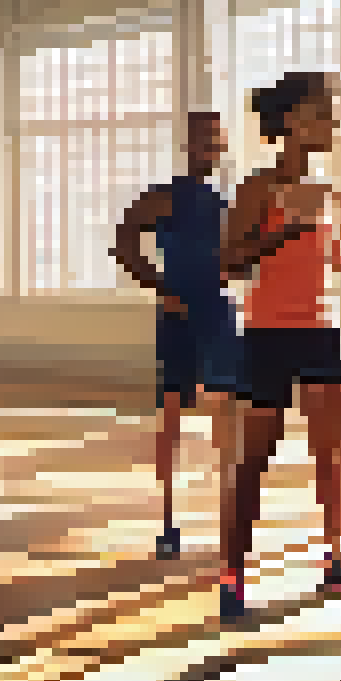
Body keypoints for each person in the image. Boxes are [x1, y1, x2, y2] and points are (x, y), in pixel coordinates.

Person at [218, 72, 341, 622]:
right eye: (322, 113)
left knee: (332, 456)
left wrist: (339, 237)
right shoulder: (258, 188)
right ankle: (232, 575)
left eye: (331, 113)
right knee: (253, 460)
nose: (333, 122)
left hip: (322, 330)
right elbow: (228, 263)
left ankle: (336, 560)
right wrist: (283, 231)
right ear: (291, 122)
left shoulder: (329, 191)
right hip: (267, 335)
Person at [113, 112, 243, 560]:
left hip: (219, 314)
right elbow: (124, 242)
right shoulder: (164, 196)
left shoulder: (228, 202)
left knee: (225, 411)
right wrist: (161, 288)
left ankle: (229, 515)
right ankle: (168, 520)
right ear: (188, 145)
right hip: (179, 315)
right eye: (203, 139)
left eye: (216, 140)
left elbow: (238, 256)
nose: (210, 147)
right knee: (171, 413)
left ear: (222, 147)